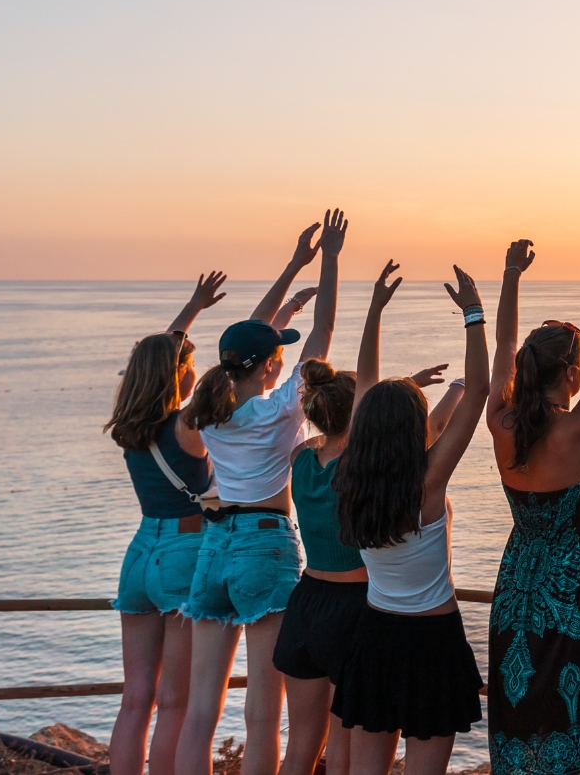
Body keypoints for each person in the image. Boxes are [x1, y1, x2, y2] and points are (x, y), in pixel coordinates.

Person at [174, 211, 345, 775]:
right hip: (265, 547)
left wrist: (295, 261)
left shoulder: (211, 410)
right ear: (273, 365)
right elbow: (320, 335)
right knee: (263, 714)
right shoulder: (278, 411)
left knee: (200, 709)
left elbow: (247, 334)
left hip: (214, 547)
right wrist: (331, 259)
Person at [273, 260, 456, 775]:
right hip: (357, 609)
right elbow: (425, 425)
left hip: (306, 603)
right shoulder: (360, 468)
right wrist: (451, 391)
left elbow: (365, 406)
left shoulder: (302, 458)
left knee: (301, 746)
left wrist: (377, 317)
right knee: (352, 751)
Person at [327, 263, 493, 775]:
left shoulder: (354, 476)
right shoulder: (427, 483)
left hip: (375, 635)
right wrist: (472, 313)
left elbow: (367, 392)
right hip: (430, 641)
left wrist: (374, 310)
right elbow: (479, 392)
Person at [485, 233, 580, 775]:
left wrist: (510, 276)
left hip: (519, 592)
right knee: (571, 736)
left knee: (521, 727)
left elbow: (503, 350)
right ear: (572, 372)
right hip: (575, 595)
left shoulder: (502, 422)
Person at [106, 273, 226, 775]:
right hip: (184, 554)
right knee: (176, 702)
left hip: (139, 556)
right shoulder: (185, 426)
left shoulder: (131, 425)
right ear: (177, 375)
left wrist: (192, 309)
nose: (194, 376)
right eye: (190, 368)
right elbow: (240, 373)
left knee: (136, 701)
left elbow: (154, 358)